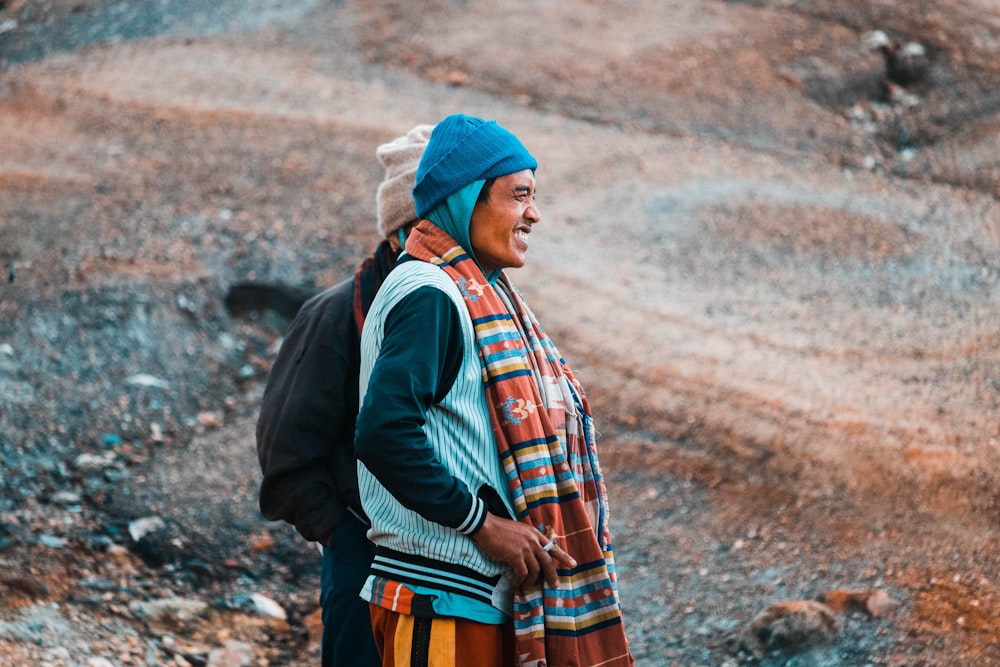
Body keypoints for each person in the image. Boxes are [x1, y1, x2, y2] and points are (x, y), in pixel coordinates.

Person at [355, 114, 634, 667]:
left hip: (470, 599)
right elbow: (384, 432)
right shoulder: (429, 293)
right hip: (436, 601)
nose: (534, 213)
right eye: (519, 195)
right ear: (466, 199)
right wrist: (480, 524)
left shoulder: (476, 294)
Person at [256, 124, 434, 667]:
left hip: (451, 564)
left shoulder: (465, 307)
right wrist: (344, 537)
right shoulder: (335, 316)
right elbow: (284, 456)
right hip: (365, 559)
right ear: (404, 231)